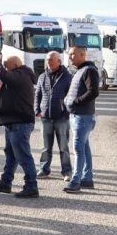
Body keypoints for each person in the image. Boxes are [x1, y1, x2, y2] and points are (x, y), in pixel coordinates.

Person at [0, 56, 40, 198]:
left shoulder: (22, 74)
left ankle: (31, 186)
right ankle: (5, 182)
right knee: (11, 155)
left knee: (23, 155)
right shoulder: (18, 74)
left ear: (16, 65)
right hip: (12, 122)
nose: (5, 68)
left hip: (20, 122)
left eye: (7, 65)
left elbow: (3, 75)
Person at [63, 46, 100, 194]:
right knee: (84, 147)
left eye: (73, 54)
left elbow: (93, 91)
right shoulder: (80, 70)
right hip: (79, 115)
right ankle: (87, 178)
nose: (70, 57)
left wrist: (76, 102)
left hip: (82, 116)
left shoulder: (89, 70)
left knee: (78, 148)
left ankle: (75, 181)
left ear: (82, 55)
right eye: (69, 54)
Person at [35, 50, 73, 181]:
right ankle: (44, 169)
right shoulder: (42, 76)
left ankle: (67, 172)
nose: (48, 62)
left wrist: (66, 112)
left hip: (61, 118)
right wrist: (37, 110)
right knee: (46, 147)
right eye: (47, 59)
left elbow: (71, 96)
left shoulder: (67, 77)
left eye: (51, 59)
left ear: (59, 61)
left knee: (63, 147)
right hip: (46, 117)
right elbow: (38, 95)